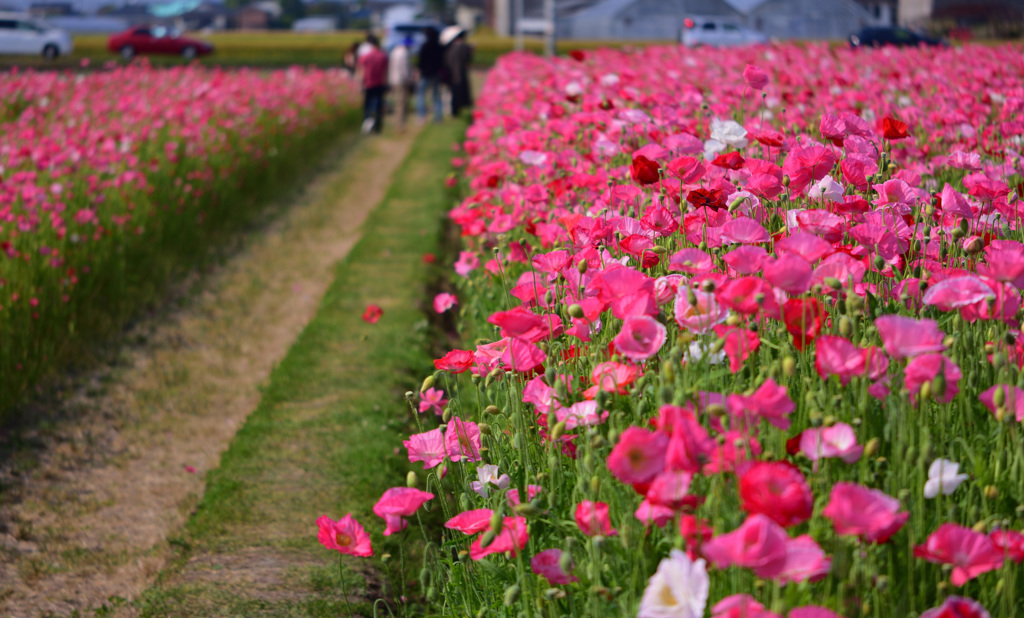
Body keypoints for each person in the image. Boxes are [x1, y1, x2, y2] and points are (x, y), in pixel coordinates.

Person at [356, 34, 388, 134]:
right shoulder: (383, 56)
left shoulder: (365, 57)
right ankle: (377, 127)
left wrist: (360, 83)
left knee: (367, 107)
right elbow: (385, 72)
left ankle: (367, 126)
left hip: (368, 84)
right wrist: (386, 84)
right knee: (378, 106)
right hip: (379, 83)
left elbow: (362, 71)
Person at [442, 27, 473, 117]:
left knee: (454, 94)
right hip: (459, 74)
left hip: (452, 74)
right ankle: (458, 111)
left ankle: (454, 112)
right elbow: (467, 58)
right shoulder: (462, 47)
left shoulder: (450, 48)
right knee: (459, 95)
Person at [416, 27, 444, 123]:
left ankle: (422, 116)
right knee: (436, 96)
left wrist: (419, 71)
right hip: (436, 73)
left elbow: (420, 62)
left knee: (420, 95)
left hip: (426, 74)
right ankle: (438, 116)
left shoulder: (425, 46)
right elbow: (442, 61)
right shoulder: (439, 47)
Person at [388, 36, 413, 132]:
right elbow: (404, 69)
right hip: (401, 81)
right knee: (401, 103)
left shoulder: (394, 52)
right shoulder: (404, 53)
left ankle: (398, 123)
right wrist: (409, 80)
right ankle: (400, 125)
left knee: (398, 102)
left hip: (394, 80)